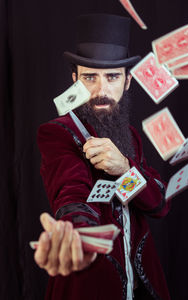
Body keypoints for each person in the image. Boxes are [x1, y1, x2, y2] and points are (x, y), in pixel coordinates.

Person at [34, 14, 171, 300]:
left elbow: (158, 203)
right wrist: (78, 237)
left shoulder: (130, 135)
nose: (101, 91)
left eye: (112, 77)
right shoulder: (57, 133)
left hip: (141, 283)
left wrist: (124, 168)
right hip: (92, 284)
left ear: (128, 81)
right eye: (89, 77)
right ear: (75, 80)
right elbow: (70, 196)